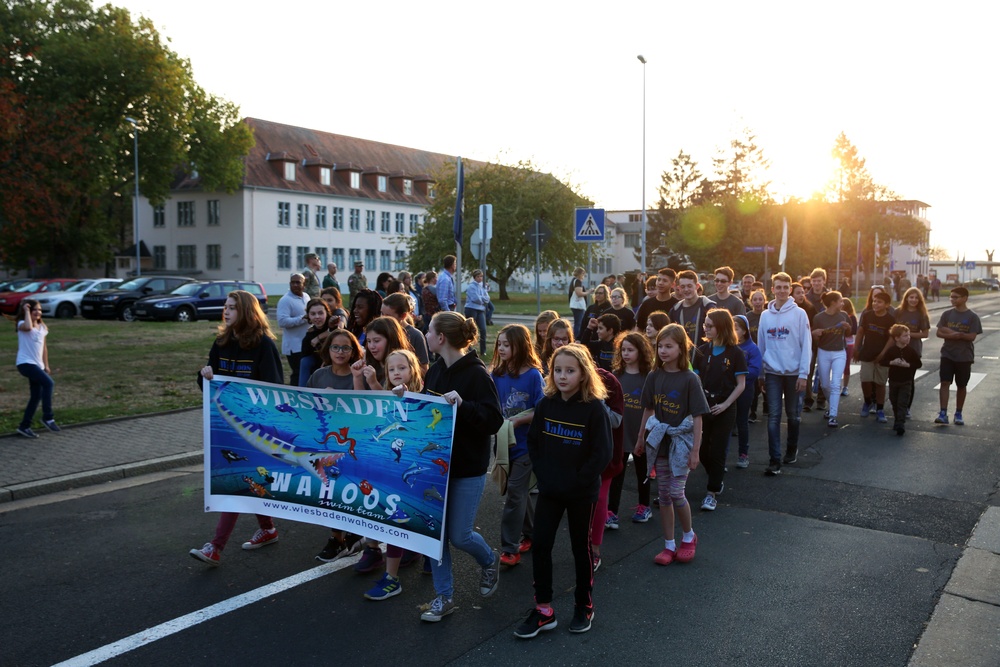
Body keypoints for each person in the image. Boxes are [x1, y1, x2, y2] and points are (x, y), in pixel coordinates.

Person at [515, 344, 612, 638]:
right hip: (550, 490)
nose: (562, 376)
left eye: (570, 371)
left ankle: (584, 605)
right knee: (541, 545)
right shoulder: (546, 404)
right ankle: (544, 610)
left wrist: (577, 479)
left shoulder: (594, 408)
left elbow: (602, 453)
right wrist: (545, 475)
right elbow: (534, 442)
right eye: (558, 370)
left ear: (583, 374)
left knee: (579, 549)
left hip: (581, 492)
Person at [419, 311, 503, 622]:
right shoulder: (435, 372)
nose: (426, 336)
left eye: (429, 331)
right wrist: (406, 400)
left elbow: (494, 420)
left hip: (467, 467)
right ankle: (444, 596)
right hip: (437, 468)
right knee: (435, 534)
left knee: (460, 535)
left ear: (441, 338)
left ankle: (489, 560)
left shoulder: (477, 375)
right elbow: (428, 414)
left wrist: (464, 406)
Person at [190, 291, 284, 566]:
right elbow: (209, 382)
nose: (226, 312)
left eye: (232, 308)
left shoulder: (264, 345)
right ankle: (268, 529)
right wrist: (204, 375)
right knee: (246, 480)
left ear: (246, 311)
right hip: (226, 427)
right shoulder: (221, 342)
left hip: (253, 430)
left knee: (234, 482)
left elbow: (273, 389)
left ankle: (215, 547)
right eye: (225, 307)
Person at [636, 323, 708, 565]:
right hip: (660, 442)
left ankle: (689, 536)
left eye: (669, 346)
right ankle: (668, 544)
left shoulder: (690, 379)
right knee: (664, 496)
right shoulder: (654, 376)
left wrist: (695, 450)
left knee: (677, 493)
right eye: (660, 346)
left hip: (681, 443)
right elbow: (648, 409)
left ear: (681, 348)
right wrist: (640, 439)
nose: (663, 351)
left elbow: (698, 417)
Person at [362, 349, 426, 601]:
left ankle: (429, 557)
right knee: (393, 524)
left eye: (402, 368)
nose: (397, 373)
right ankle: (391, 578)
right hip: (391, 475)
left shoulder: (423, 397)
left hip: (416, 476)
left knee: (421, 520)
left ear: (413, 370)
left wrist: (407, 398)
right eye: (392, 369)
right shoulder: (385, 399)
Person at [490, 324, 545, 568]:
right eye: (499, 344)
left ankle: (509, 548)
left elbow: (543, 409)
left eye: (506, 344)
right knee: (519, 491)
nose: (501, 348)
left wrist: (520, 420)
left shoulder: (533, 375)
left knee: (514, 492)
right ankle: (533, 533)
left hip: (526, 446)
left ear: (520, 346)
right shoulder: (497, 374)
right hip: (503, 444)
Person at [757, 272, 812, 476]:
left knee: (793, 415)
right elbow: (761, 344)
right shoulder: (765, 315)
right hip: (772, 372)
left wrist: (804, 374)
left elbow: (806, 344)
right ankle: (774, 459)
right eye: (777, 287)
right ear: (772, 289)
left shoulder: (799, 314)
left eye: (785, 287)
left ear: (790, 289)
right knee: (773, 416)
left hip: (794, 373)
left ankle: (791, 449)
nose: (781, 290)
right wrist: (761, 373)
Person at [694, 309, 746, 511]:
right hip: (704, 406)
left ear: (722, 327)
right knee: (702, 450)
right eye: (705, 325)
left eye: (710, 326)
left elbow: (740, 385)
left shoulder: (736, 353)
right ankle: (717, 475)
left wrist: (725, 405)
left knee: (717, 450)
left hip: (725, 407)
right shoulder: (702, 350)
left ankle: (712, 492)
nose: (705, 329)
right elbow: (695, 380)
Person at [608, 332, 655, 526]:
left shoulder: (648, 377)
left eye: (631, 350)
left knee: (642, 471)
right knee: (616, 471)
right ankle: (611, 511)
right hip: (620, 432)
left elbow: (651, 408)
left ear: (641, 351)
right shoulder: (616, 376)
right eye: (623, 350)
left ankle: (644, 506)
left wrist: (642, 435)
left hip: (641, 432)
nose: (626, 354)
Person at [934, 286, 982, 425]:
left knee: (961, 385)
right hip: (947, 354)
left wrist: (957, 334)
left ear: (965, 298)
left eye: (956, 297)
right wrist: (953, 334)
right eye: (951, 297)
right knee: (944, 382)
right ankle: (943, 412)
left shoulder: (972, 317)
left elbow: (972, 336)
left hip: (964, 356)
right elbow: (938, 332)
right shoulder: (947, 314)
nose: (952, 299)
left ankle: (958, 412)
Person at [14, 300, 59, 438]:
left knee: (36, 396)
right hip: (25, 364)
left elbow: (43, 348)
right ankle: (48, 417)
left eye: (39, 310)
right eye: (34, 310)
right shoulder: (22, 324)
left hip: (37, 365)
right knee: (49, 383)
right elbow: (28, 327)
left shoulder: (42, 328)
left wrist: (46, 365)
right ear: (27, 311)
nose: (38, 312)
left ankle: (24, 426)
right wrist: (26, 311)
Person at [854, 291, 895, 424]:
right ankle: (867, 402)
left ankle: (880, 408)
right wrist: (856, 348)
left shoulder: (890, 319)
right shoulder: (867, 315)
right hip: (867, 353)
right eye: (874, 301)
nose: (875, 304)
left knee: (880, 383)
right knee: (865, 379)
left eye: (879, 302)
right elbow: (860, 332)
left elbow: (891, 338)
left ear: (887, 305)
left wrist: (883, 353)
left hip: (882, 355)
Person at [812, 291, 851, 427]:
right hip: (824, 352)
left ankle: (833, 415)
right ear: (833, 302)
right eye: (840, 301)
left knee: (835, 384)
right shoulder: (818, 318)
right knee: (824, 385)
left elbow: (850, 333)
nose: (843, 303)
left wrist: (847, 328)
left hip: (839, 352)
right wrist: (815, 334)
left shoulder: (844, 315)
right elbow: (815, 337)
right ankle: (831, 406)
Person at [895, 287, 931, 417]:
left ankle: (906, 408)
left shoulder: (921, 314)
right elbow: (891, 330)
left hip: (913, 350)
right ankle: (895, 405)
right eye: (911, 297)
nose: (913, 300)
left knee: (908, 380)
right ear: (906, 298)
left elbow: (925, 333)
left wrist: (908, 335)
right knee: (894, 379)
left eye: (916, 298)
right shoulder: (898, 312)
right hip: (896, 350)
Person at [881, 325, 922, 435]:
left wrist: (907, 365)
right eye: (905, 336)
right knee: (894, 400)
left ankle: (900, 423)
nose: (908, 338)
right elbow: (883, 361)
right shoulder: (891, 350)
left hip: (906, 381)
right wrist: (892, 362)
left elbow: (918, 363)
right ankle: (897, 419)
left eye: (908, 335)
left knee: (902, 402)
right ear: (896, 338)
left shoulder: (911, 351)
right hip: (894, 380)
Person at [733, 315, 761, 469]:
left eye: (736, 328)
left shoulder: (752, 348)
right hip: (728, 390)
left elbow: (755, 370)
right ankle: (721, 457)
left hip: (745, 390)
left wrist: (737, 376)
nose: (733, 331)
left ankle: (743, 454)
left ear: (744, 331)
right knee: (725, 423)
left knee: (742, 421)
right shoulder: (728, 346)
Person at [381, 292, 430, 374]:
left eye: (388, 316)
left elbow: (424, 370)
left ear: (403, 316)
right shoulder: (379, 331)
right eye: (381, 313)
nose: (383, 318)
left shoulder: (415, 335)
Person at [277, 273, 310, 386]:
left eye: (298, 282)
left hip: (306, 343)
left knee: (306, 373)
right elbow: (282, 322)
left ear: (304, 284)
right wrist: (303, 319)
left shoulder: (306, 297)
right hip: (294, 346)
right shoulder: (285, 300)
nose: (295, 285)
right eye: (293, 282)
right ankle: (294, 397)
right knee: (297, 373)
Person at [670, 270, 715, 343]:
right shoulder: (675, 310)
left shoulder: (709, 307)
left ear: (697, 286)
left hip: (706, 352)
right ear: (679, 288)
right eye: (683, 286)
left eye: (689, 286)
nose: (686, 289)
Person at [298, 298, 334, 386]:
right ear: (309, 316)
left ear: (327, 313)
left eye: (320, 313)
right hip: (318, 368)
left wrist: (320, 337)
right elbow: (306, 358)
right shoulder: (309, 336)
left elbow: (338, 329)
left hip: (337, 365)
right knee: (305, 361)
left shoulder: (334, 325)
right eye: (313, 314)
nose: (317, 317)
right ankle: (303, 392)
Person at [635, 267, 678, 331]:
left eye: (665, 280)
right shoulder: (646, 304)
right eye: (659, 279)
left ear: (672, 284)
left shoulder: (677, 305)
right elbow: (639, 328)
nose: (660, 283)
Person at [463, 269, 491, 355]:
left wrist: (482, 299)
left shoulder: (482, 286)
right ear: (474, 277)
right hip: (471, 308)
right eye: (478, 276)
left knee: (483, 329)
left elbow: (487, 298)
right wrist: (482, 299)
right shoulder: (471, 287)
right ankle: (468, 347)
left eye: (481, 276)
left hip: (480, 310)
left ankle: (483, 350)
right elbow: (475, 299)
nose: (480, 278)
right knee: (470, 329)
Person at [841, 299, 858, 398]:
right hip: (837, 343)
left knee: (846, 366)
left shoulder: (852, 317)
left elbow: (854, 330)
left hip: (848, 343)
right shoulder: (837, 316)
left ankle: (845, 387)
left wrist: (847, 329)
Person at [568, 267, 589, 336]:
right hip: (578, 305)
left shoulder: (574, 280)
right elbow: (579, 293)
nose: (584, 276)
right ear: (580, 274)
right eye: (583, 274)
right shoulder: (578, 281)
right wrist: (589, 292)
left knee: (577, 322)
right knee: (579, 323)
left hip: (575, 305)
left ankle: (576, 335)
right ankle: (577, 336)